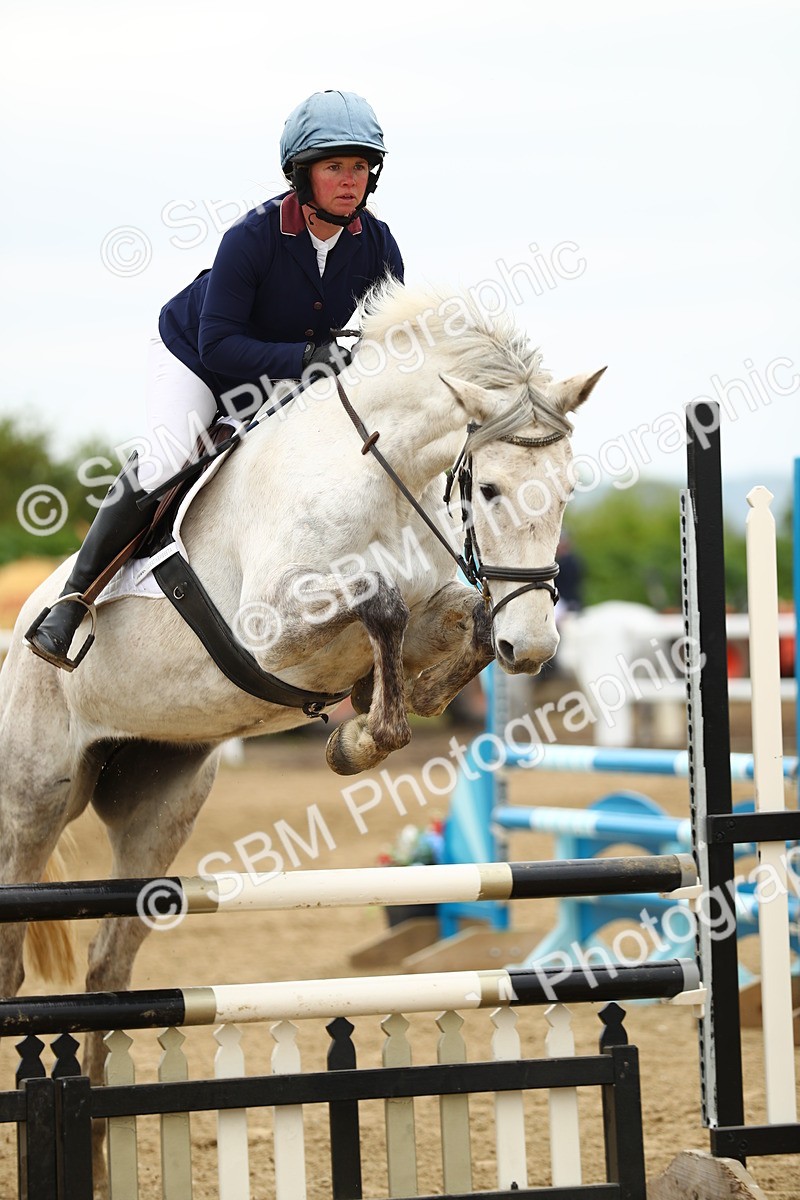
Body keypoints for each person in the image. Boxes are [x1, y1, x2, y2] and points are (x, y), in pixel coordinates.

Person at [26, 90, 404, 671]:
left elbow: (386, 343)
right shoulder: (251, 238)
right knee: (166, 457)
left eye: (360, 166)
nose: (350, 180)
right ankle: (70, 604)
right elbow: (219, 345)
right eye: (335, 166)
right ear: (302, 175)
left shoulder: (378, 246)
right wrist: (312, 357)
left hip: (283, 371)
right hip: (195, 357)